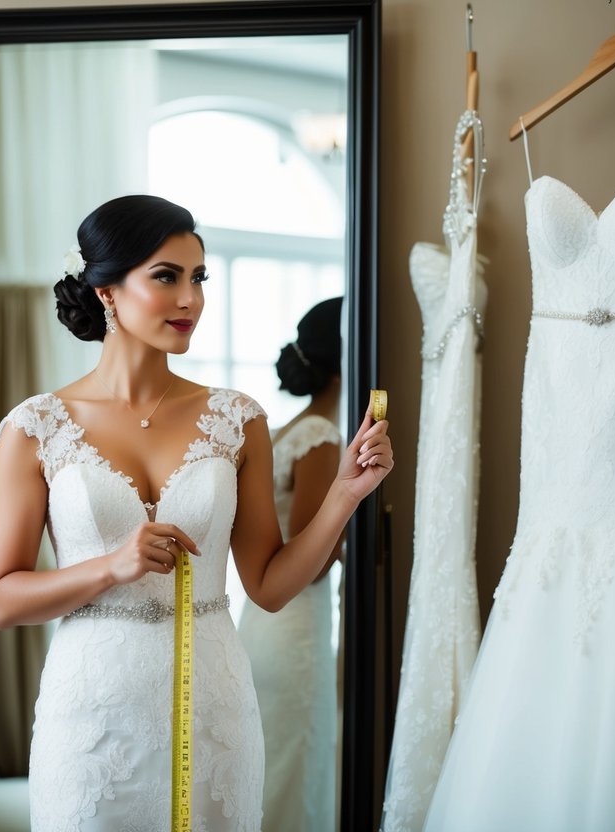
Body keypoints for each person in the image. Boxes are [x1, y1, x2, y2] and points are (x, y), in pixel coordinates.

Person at [0, 195, 392, 831]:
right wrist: (110, 567)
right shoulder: (36, 428)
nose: (190, 299)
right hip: (90, 716)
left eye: (198, 278)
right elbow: (2, 600)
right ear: (107, 292)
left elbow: (271, 586)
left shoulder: (238, 419)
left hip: (215, 709)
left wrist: (345, 494)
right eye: (166, 277)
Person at [238, 297, 344, 831]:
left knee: (273, 764)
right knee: (292, 767)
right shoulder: (321, 437)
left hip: (262, 621)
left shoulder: (283, 433)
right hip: (296, 627)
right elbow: (314, 557)